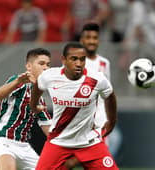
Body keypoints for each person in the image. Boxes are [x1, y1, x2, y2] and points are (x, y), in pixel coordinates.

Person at [30, 42, 118, 170]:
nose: (79, 63)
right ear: (63, 60)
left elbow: (110, 96)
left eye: (82, 59)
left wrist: (111, 121)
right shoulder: (49, 76)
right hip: (58, 141)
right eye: (74, 59)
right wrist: (33, 105)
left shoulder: (97, 79)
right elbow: (37, 88)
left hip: (89, 142)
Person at [0, 48, 52, 170]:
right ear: (28, 66)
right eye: (41, 63)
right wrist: (17, 81)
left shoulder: (41, 100)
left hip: (24, 146)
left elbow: (49, 131)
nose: (46, 68)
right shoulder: (19, 82)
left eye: (48, 64)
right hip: (2, 139)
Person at [64, 22, 112, 169]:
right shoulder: (74, 63)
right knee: (67, 162)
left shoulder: (104, 63)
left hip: (100, 123)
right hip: (78, 123)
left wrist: (110, 119)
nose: (92, 41)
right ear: (81, 40)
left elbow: (108, 94)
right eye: (88, 37)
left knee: (94, 164)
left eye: (95, 38)